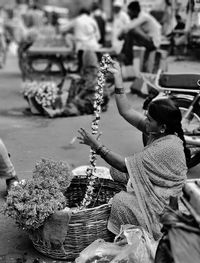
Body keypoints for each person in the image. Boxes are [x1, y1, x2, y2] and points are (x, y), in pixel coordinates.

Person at [77, 59, 189, 240]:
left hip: (162, 205)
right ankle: (135, 199)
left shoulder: (168, 146)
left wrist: (97, 147)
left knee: (120, 201)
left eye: (150, 119)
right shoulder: (158, 130)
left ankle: (132, 234)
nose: (146, 120)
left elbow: (124, 166)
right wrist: (118, 77)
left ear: (162, 127)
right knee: (114, 172)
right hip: (153, 184)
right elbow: (126, 111)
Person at [119, 1, 162, 68]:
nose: (129, 15)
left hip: (153, 42)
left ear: (135, 11)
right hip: (148, 40)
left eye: (130, 13)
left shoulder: (144, 17)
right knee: (129, 35)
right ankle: (125, 57)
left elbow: (129, 27)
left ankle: (127, 60)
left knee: (132, 31)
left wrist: (120, 36)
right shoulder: (139, 18)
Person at [60, 8, 100, 72]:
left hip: (81, 47)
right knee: (92, 67)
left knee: (68, 36)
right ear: (88, 14)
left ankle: (72, 52)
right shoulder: (93, 20)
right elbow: (98, 36)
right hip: (93, 46)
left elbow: (63, 29)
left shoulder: (77, 20)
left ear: (80, 13)